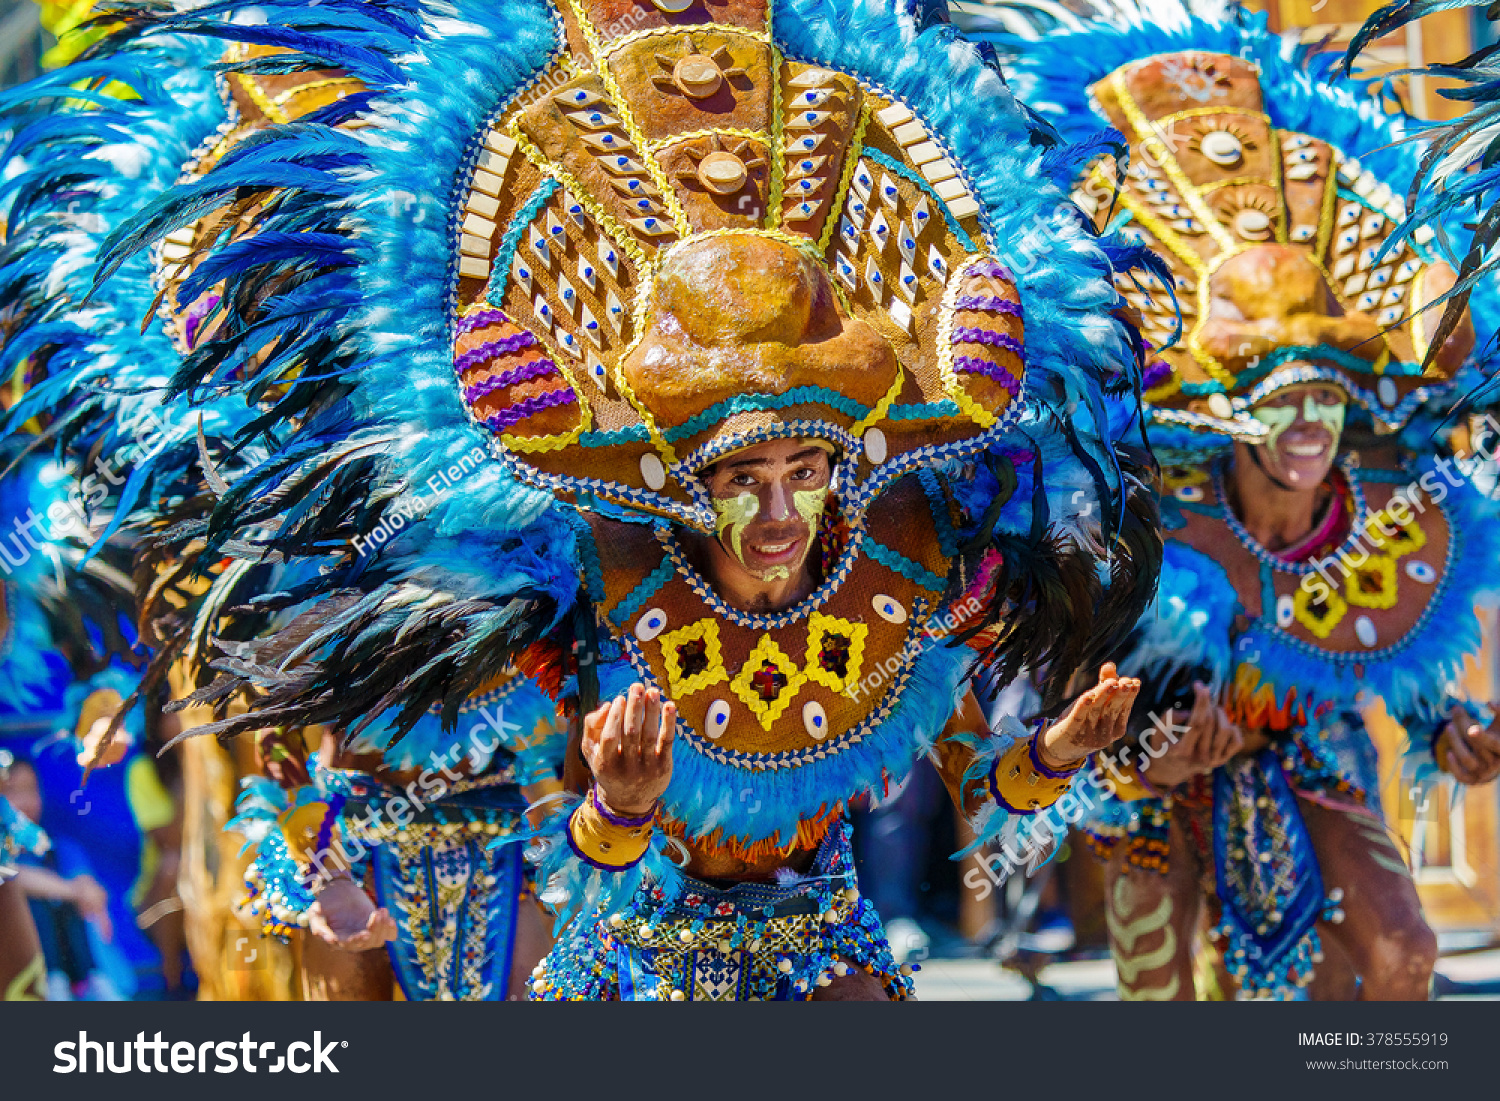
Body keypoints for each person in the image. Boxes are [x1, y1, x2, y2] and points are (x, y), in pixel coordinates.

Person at [989, 1, 1500, 998]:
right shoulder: (1147, 521)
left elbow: (1395, 635)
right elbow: (1066, 681)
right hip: (1148, 780)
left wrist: (1450, 732)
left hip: (1311, 746)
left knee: (1402, 954)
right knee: (1162, 990)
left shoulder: (1390, 507)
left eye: (1326, 398)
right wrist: (1147, 756)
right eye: (1279, 401)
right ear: (1229, 417)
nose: (1309, 425)